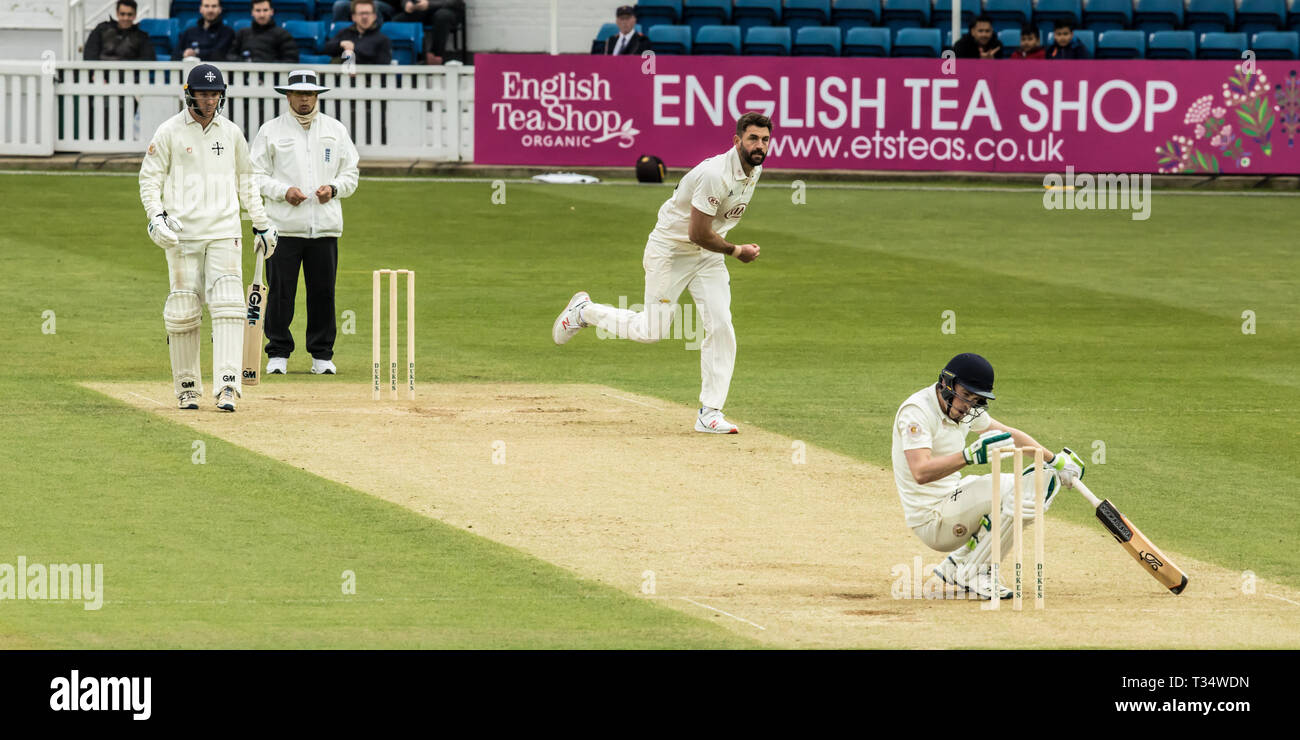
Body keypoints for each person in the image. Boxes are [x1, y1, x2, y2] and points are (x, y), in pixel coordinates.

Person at [551, 113, 770, 435]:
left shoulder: (756, 169)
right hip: (671, 252)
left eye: (764, 139)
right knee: (650, 331)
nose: (759, 145)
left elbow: (709, 234)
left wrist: (725, 249)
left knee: (721, 324)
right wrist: (736, 251)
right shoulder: (714, 175)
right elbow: (697, 233)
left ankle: (710, 412)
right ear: (737, 140)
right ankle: (585, 312)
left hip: (708, 256)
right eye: (752, 138)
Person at [139, 63, 278, 412]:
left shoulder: (231, 133)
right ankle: (187, 387)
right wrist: (156, 218)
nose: (210, 99)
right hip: (182, 234)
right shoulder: (169, 131)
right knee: (184, 309)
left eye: (215, 93)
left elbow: (247, 180)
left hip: (224, 230)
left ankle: (227, 386)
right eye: (204, 93)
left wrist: (261, 222)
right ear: (190, 94)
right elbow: (150, 179)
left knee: (230, 305)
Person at [890, 353, 1085, 599]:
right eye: (965, 395)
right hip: (933, 520)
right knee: (1024, 489)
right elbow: (920, 472)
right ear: (947, 384)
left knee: (1037, 482)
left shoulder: (965, 410)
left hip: (953, 500)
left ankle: (957, 564)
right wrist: (968, 456)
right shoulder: (916, 412)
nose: (968, 406)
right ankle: (975, 572)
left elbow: (1010, 436)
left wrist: (1054, 461)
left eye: (976, 399)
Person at [250, 70, 360, 377]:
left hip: (324, 227)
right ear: (288, 96)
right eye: (298, 94)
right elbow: (255, 176)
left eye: (309, 95)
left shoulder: (335, 130)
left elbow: (351, 173)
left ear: (317, 96)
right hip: (283, 227)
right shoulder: (271, 130)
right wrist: (283, 191)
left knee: (323, 292)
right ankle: (278, 353)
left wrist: (334, 189)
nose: (304, 99)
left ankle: (322, 355)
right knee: (281, 292)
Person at [323, 0, 392, 65]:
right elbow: (326, 48)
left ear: (374, 16)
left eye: (367, 13)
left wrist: (354, 53)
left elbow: (383, 64)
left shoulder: (383, 40)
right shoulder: (345, 32)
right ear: (353, 17)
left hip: (368, 77)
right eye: (361, 13)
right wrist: (340, 44)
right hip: (342, 76)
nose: (364, 17)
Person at [228, 0, 299, 63]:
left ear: (272, 11)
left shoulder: (283, 35)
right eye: (258, 10)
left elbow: (291, 60)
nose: (262, 15)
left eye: (265, 10)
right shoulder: (242, 33)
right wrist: (246, 63)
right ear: (252, 12)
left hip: (273, 77)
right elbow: (230, 56)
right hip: (245, 76)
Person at [83, 0, 157, 61]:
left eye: (129, 14)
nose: (126, 18)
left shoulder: (141, 36)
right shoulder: (101, 29)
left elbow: (149, 58)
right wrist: (94, 73)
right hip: (100, 75)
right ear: (117, 13)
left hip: (128, 76)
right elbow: (90, 52)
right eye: (122, 14)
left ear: (135, 15)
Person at [394, 0, 462, 65]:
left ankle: (436, 56)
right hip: (422, 10)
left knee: (442, 16)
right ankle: (405, 57)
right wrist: (406, 4)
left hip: (447, 9)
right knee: (398, 19)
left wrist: (429, 4)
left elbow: (454, 2)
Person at [331, 0, 396, 22]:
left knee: (373, 5)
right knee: (340, 5)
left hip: (385, 4)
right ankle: (337, 35)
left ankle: (375, 36)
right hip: (357, 2)